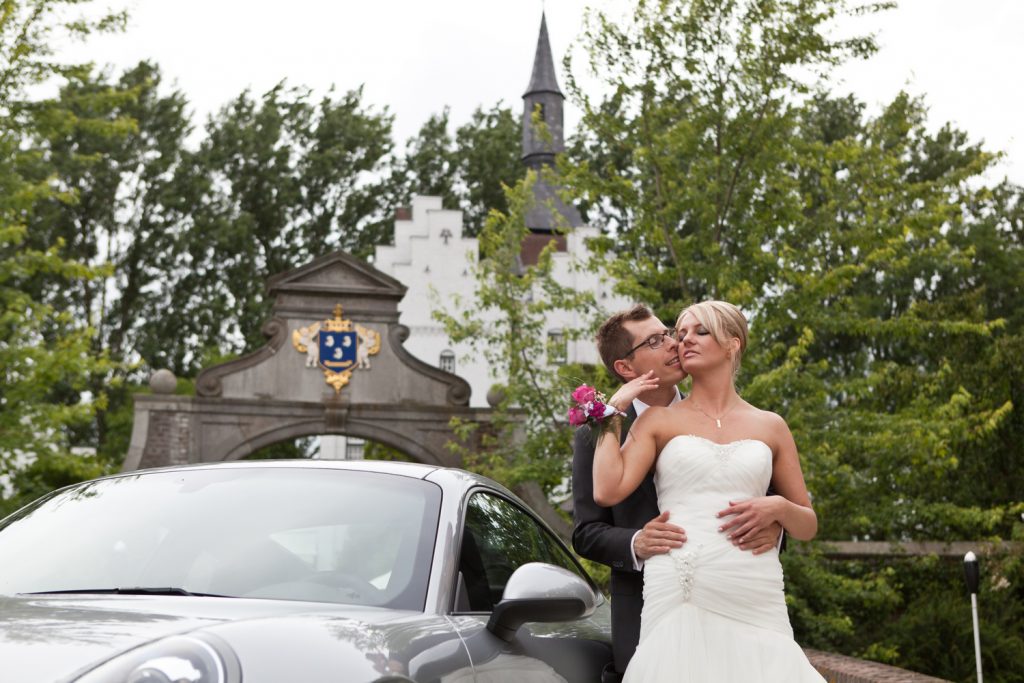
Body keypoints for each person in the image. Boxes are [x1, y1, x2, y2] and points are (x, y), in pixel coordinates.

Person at [592, 300, 824, 682]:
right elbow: (607, 489)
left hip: (753, 582)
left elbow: (808, 525)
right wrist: (612, 409)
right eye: (680, 334)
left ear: (732, 344)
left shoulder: (772, 426)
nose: (684, 342)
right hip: (680, 581)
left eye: (700, 332)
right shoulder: (657, 420)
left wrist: (779, 509)